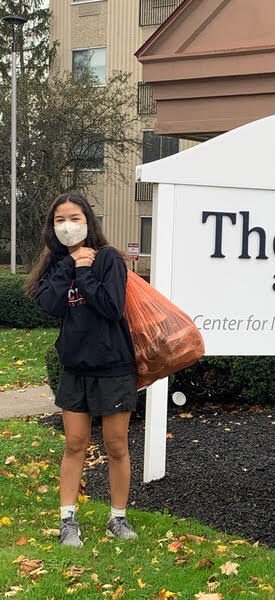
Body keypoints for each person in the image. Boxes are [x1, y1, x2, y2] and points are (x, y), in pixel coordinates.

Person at [24, 192, 139, 547]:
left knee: (116, 445)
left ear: (88, 220)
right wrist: (69, 265)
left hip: (114, 367)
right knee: (75, 443)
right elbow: (49, 304)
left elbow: (111, 307)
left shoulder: (108, 259)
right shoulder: (58, 263)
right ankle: (67, 520)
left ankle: (117, 518)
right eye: (59, 220)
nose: (67, 225)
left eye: (74, 218)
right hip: (75, 368)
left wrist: (86, 271)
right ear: (51, 227)